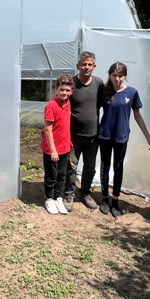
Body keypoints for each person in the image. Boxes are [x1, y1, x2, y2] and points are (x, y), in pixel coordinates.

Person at [97, 62, 150, 217]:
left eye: (120, 76)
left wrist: (148, 137)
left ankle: (115, 200)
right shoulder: (104, 91)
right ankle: (104, 199)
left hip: (121, 136)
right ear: (109, 75)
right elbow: (92, 110)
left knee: (118, 167)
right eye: (114, 75)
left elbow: (138, 116)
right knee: (105, 166)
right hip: (105, 135)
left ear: (125, 76)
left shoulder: (132, 92)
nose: (117, 79)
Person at [64, 51, 104, 212]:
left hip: (93, 135)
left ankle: (85, 193)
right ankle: (69, 194)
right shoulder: (72, 84)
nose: (86, 67)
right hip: (73, 135)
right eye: (83, 64)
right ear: (78, 66)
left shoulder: (99, 83)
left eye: (89, 64)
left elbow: (104, 104)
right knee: (71, 165)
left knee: (90, 167)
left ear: (94, 66)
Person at [41, 74, 75, 215]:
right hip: (52, 149)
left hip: (64, 147)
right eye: (62, 90)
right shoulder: (51, 106)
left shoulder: (68, 103)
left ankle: (58, 198)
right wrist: (53, 150)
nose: (64, 93)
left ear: (71, 91)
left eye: (67, 90)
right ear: (56, 89)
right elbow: (48, 129)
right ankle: (49, 199)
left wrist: (68, 142)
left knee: (62, 175)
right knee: (51, 175)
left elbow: (65, 125)